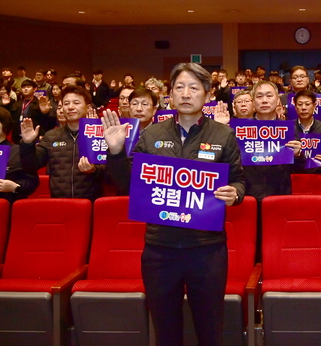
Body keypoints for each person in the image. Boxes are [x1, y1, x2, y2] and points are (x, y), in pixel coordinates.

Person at [102, 62, 244, 346]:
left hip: (206, 248)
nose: (186, 93)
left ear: (207, 93)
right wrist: (116, 153)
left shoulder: (222, 134)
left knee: (210, 326)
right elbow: (129, 185)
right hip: (160, 249)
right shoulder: (152, 135)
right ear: (170, 96)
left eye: (194, 87)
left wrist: (235, 193)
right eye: (179, 87)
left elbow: (239, 180)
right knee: (165, 328)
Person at [20, 85, 105, 200]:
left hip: (91, 202)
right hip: (59, 203)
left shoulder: (101, 134)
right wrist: (27, 144)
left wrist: (94, 170)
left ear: (88, 107)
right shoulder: (52, 136)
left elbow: (111, 174)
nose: (70, 107)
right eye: (66, 104)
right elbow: (31, 165)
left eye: (76, 103)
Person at [293, 89, 321, 173]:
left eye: (307, 104)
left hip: (318, 176)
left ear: (314, 106)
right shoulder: (289, 128)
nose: (303, 108)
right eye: (300, 104)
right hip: (294, 175)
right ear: (295, 107)